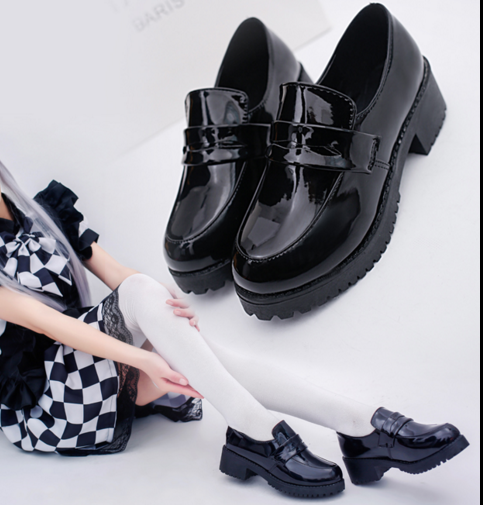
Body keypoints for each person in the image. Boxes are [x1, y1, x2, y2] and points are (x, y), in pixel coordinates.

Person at [0, 161, 469, 498]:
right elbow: (49, 323)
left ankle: (348, 423)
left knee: (193, 339)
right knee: (158, 313)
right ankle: (278, 431)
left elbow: (119, 276)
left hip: (96, 360)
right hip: (55, 399)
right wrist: (144, 354)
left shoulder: (43, 211)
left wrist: (166, 307)